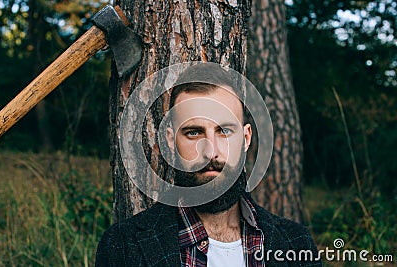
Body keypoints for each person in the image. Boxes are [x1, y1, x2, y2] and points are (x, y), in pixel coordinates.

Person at [95, 64, 322, 267]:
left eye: (224, 131)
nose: (211, 152)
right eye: (194, 132)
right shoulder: (124, 247)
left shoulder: (296, 243)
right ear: (170, 142)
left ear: (246, 139)